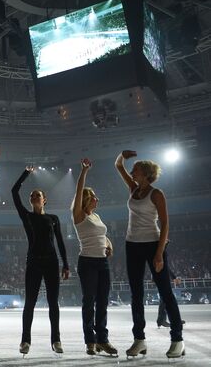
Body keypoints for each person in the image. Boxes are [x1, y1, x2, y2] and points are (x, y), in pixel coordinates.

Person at [115, 150, 185, 358]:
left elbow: (165, 224)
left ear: (145, 174)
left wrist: (159, 253)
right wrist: (122, 156)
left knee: (165, 292)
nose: (131, 172)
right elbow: (119, 166)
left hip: (153, 244)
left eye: (135, 170)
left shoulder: (157, 194)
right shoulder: (133, 189)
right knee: (136, 295)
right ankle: (139, 340)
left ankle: (177, 340)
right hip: (132, 245)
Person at [12, 165, 69, 355]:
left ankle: (56, 340)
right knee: (30, 303)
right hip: (34, 262)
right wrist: (26, 173)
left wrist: (66, 264)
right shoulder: (26, 216)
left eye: (38, 195)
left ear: (44, 200)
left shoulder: (53, 218)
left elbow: (60, 242)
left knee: (54, 303)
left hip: (52, 263)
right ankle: (25, 340)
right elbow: (14, 191)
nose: (34, 197)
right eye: (32, 196)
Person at [72, 158, 117, 356]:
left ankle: (102, 340)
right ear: (86, 200)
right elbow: (78, 191)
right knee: (89, 302)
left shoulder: (96, 217)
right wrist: (84, 172)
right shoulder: (79, 215)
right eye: (94, 197)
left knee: (103, 302)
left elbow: (102, 235)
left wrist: (109, 245)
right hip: (88, 262)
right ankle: (90, 341)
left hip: (102, 263)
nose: (97, 200)